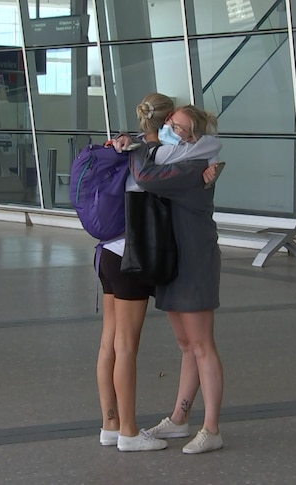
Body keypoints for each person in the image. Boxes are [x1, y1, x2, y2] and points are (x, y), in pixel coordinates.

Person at [96, 94, 221, 452]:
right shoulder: (166, 154)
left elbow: (147, 176)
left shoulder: (189, 163)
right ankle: (153, 425)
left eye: (179, 128)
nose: (171, 130)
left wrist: (134, 144)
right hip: (152, 259)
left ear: (192, 137)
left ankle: (207, 428)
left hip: (171, 259)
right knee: (173, 346)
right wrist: (136, 141)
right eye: (169, 124)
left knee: (196, 345)